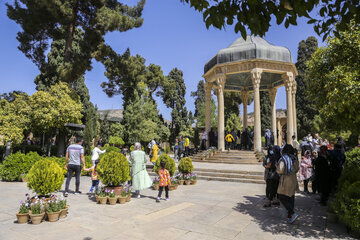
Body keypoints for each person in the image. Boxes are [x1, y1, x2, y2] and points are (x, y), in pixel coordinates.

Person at [276, 144, 300, 224]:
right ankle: (290, 216)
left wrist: (277, 167)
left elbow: (280, 170)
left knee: (281, 197)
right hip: (293, 179)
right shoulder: (294, 158)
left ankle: (292, 213)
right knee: (291, 196)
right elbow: (297, 169)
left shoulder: (283, 159)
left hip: (286, 179)